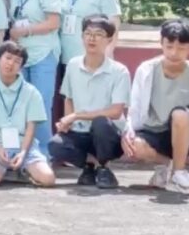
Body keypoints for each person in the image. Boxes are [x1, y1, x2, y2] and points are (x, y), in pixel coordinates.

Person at [123, 18, 189, 195]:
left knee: (180, 114)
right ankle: (167, 165)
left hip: (183, 134)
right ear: (161, 43)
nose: (174, 53)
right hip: (153, 132)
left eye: (181, 48)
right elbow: (134, 107)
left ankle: (178, 173)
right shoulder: (146, 70)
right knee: (134, 146)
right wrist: (128, 132)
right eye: (169, 46)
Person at [49, 16, 130, 189]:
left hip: (108, 133)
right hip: (80, 131)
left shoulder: (119, 71)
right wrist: (67, 121)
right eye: (88, 33)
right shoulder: (73, 65)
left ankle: (104, 166)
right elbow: (69, 98)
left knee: (101, 123)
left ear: (109, 40)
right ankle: (90, 166)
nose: (92, 38)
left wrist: (77, 115)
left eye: (99, 34)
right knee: (55, 145)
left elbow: (116, 112)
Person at [0, 41, 57, 187]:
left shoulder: (32, 92)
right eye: (7, 58)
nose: (11, 64)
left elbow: (31, 127)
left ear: (21, 67)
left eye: (17, 61)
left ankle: (21, 168)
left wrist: (23, 152)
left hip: (23, 143)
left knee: (48, 179)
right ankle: (5, 169)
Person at [8, 0, 62, 154]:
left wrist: (25, 30)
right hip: (21, 55)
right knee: (22, 105)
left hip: (43, 54)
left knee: (40, 104)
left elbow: (53, 23)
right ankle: (24, 152)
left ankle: (44, 155)